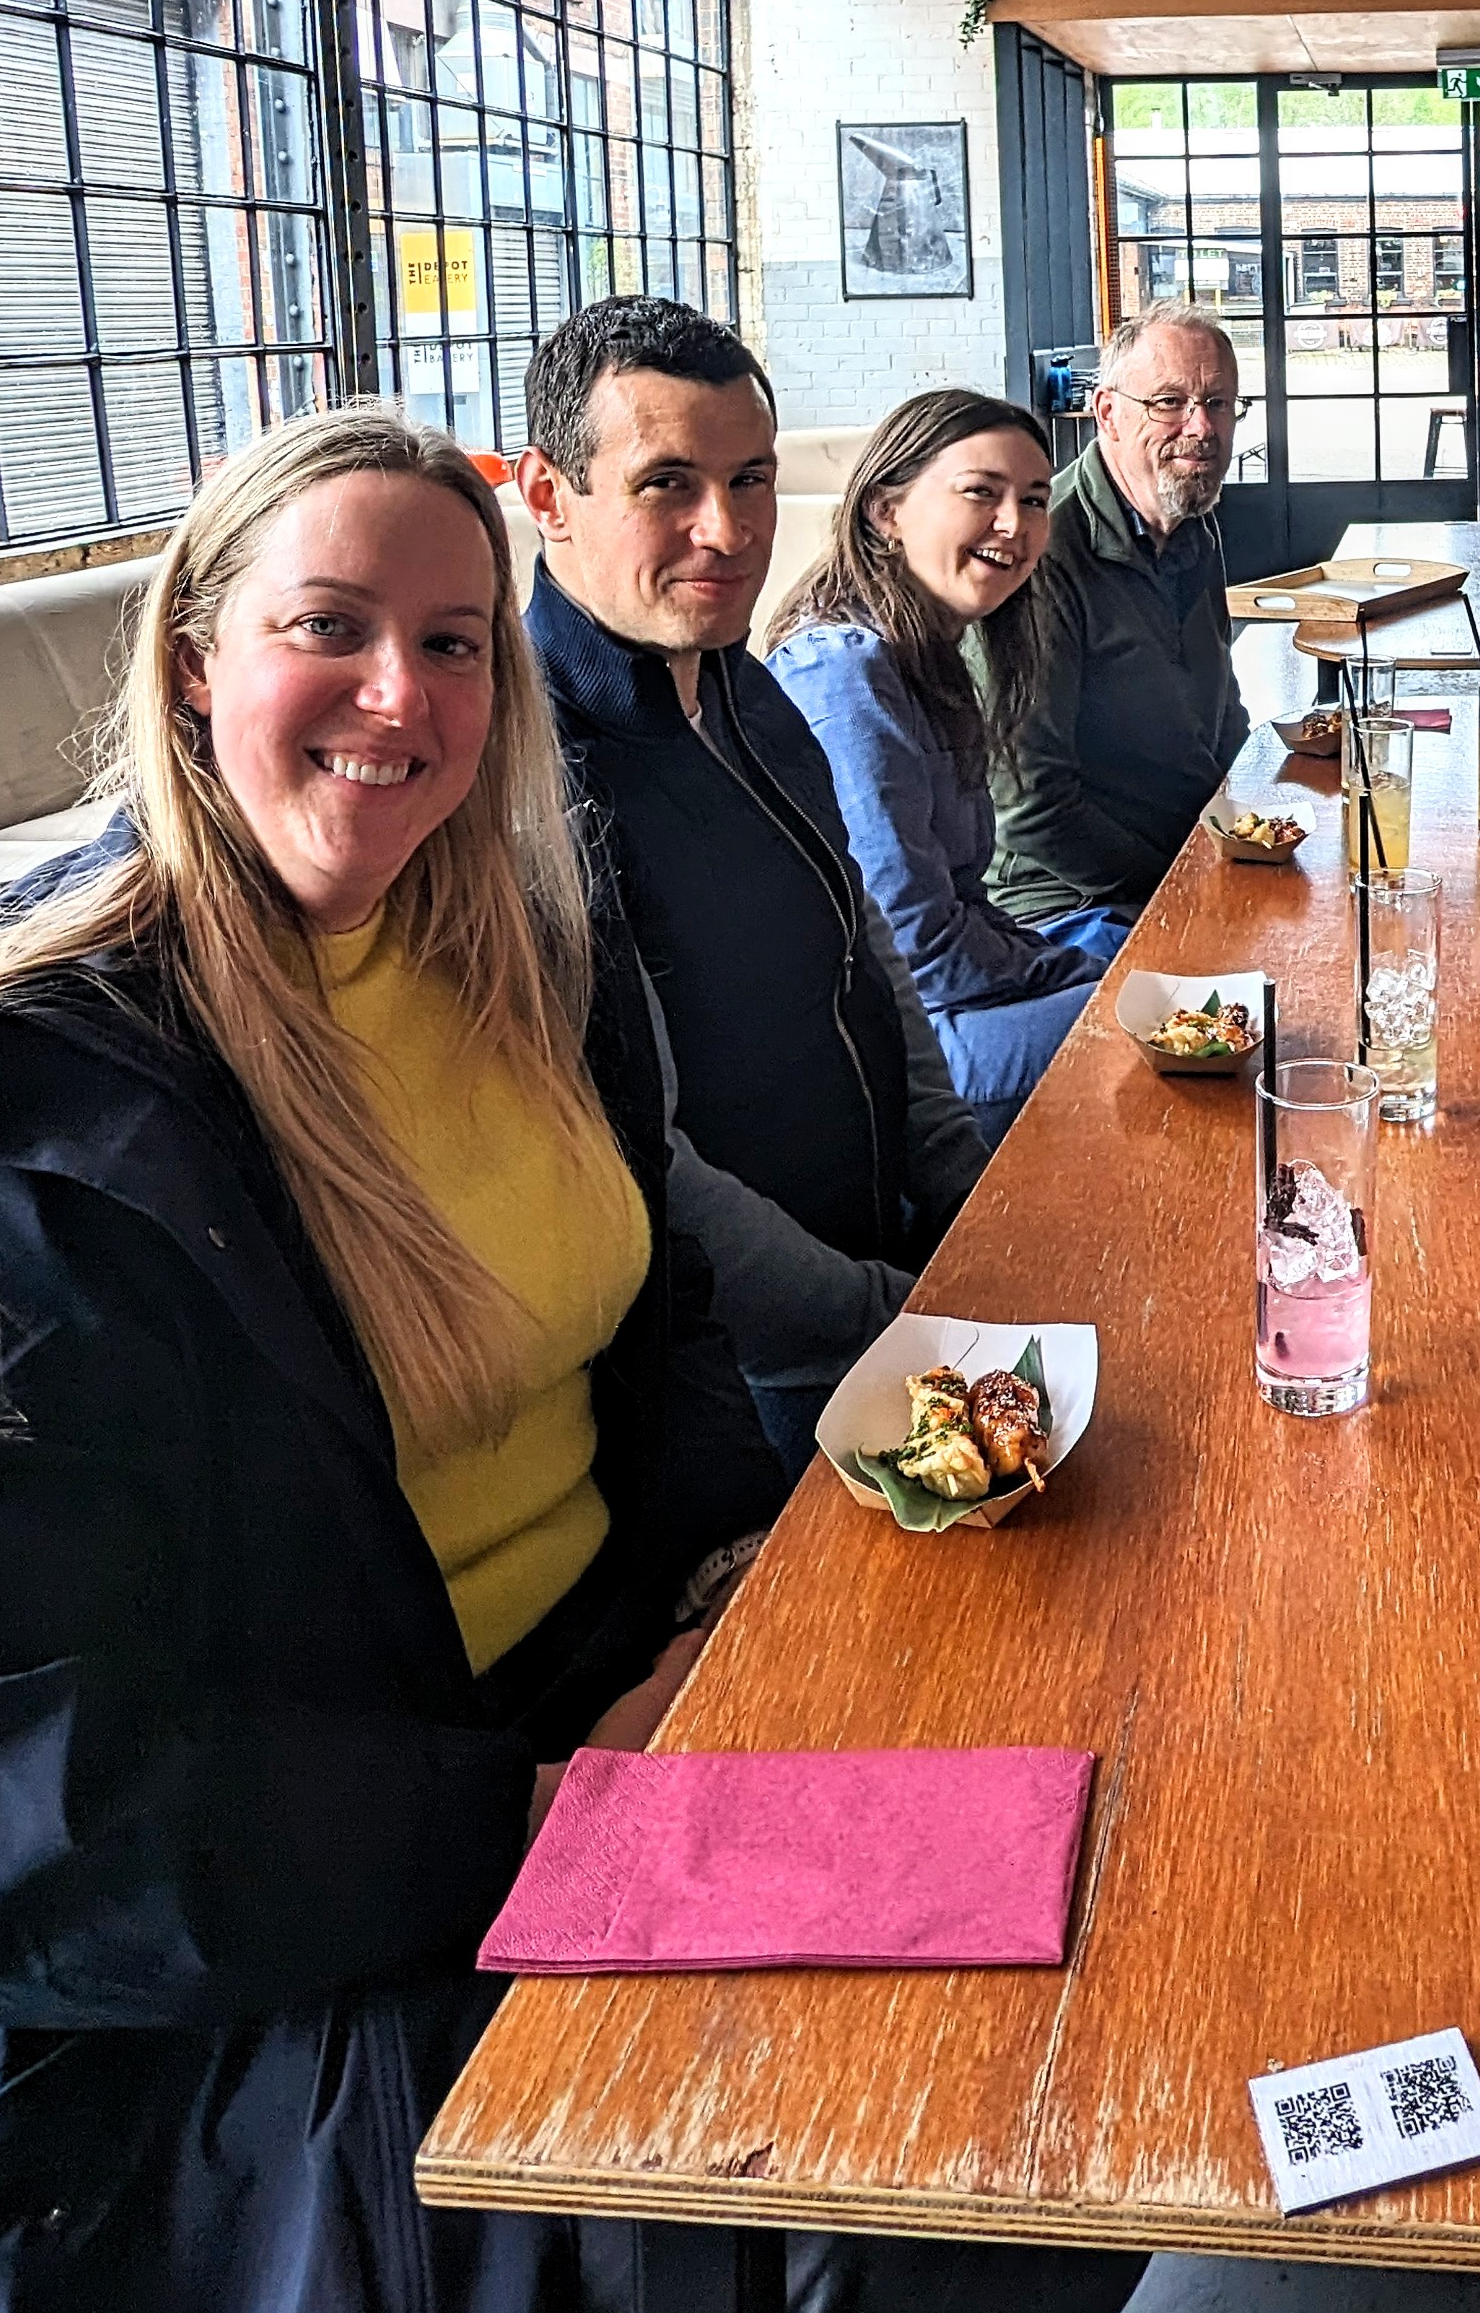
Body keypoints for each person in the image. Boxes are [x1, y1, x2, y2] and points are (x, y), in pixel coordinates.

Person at [0, 405, 784, 2313]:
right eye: (331, 632)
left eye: (457, 646)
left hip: (626, 1727)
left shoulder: (523, 953)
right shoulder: (7, 1130)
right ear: (194, 658)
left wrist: (727, 1585)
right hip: (290, 1946)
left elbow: (648, 1325)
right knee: (885, 2243)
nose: (405, 702)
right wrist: (542, 1818)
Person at [515, 296, 992, 1474]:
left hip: (898, 1282)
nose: (726, 531)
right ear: (545, 495)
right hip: (755, 1382)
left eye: (753, 480)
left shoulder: (742, 684)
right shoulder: (528, 781)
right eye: (666, 483)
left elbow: (865, 943)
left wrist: (969, 1189)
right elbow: (645, 1166)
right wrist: (888, 1307)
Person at [770, 390, 1122, 1149]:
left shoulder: (926, 658)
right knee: (1182, 1023)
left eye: (1033, 500)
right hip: (895, 1059)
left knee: (1158, 965)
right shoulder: (845, 676)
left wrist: (1074, 965)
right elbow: (917, 952)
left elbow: (962, 903)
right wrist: (1073, 976)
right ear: (884, 511)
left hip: (946, 1013)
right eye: (981, 492)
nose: (1015, 525)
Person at [987, 310, 1253, 930]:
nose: (1203, 427)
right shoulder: (1042, 551)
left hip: (1185, 858)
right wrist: (1183, 884)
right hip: (1070, 903)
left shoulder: (1190, 521)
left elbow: (1222, 717)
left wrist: (1254, 831)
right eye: (1169, 402)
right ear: (1106, 412)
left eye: (1219, 402)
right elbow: (1032, 810)